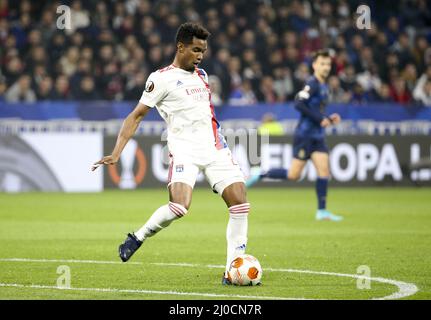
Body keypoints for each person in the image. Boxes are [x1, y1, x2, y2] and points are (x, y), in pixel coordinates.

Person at [92, 22, 250, 285]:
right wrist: (117, 152)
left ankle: (232, 270)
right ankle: (138, 237)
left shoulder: (203, 76)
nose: (200, 56)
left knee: (240, 204)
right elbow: (136, 116)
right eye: (196, 49)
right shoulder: (160, 79)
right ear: (180, 47)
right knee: (179, 207)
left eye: (204, 50)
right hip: (185, 151)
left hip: (215, 149)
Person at [246, 49, 343, 221]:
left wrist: (328, 118)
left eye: (328, 64)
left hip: (318, 136)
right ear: (314, 65)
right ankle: (260, 173)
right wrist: (321, 118)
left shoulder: (324, 86)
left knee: (324, 171)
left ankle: (322, 211)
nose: (326, 67)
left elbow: (315, 110)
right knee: (294, 175)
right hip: (305, 135)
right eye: (322, 63)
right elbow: (299, 103)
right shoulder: (312, 84)